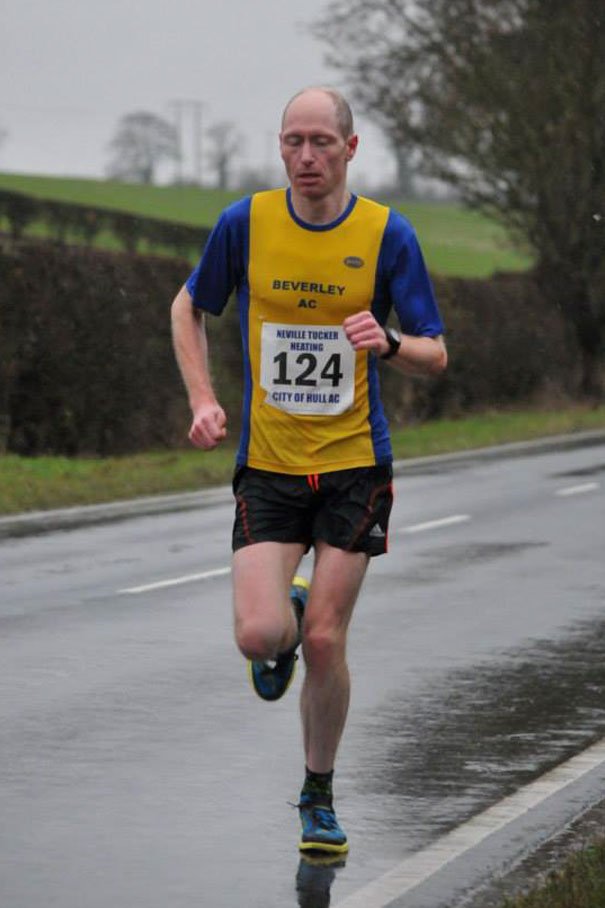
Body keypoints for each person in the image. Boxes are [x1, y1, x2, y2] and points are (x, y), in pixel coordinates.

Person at [171, 86, 447, 854]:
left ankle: (317, 796)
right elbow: (187, 305)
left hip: (356, 464)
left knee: (326, 640)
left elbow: (435, 352)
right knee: (261, 635)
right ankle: (281, 627)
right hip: (268, 466)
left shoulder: (387, 236)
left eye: (321, 141)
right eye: (292, 141)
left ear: (350, 149)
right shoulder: (246, 224)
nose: (304, 157)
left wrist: (388, 343)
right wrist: (202, 397)